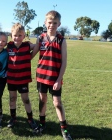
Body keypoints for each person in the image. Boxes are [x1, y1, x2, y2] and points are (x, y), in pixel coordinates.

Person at [31, 10, 72, 140]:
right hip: (41, 76)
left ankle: (64, 129)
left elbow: (64, 62)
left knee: (57, 103)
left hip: (55, 78)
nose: (52, 25)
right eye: (49, 22)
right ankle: (42, 124)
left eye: (55, 23)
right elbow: (32, 55)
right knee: (42, 100)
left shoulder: (61, 41)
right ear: (45, 22)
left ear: (59, 24)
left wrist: (59, 80)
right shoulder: (41, 38)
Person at [6, 23, 37, 130]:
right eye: (15, 35)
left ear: (24, 36)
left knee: (26, 99)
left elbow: (37, 46)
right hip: (11, 78)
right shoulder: (8, 46)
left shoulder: (27, 45)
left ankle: (30, 118)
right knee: (12, 98)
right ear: (11, 35)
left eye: (20, 35)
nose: (17, 38)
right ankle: (13, 118)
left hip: (23, 79)